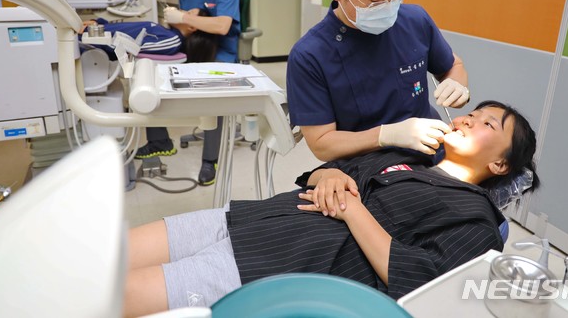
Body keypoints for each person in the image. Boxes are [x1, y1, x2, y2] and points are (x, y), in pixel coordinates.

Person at [123, 100, 539, 317]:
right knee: (108, 254)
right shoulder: (409, 155)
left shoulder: (477, 220)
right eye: (474, 112)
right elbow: (324, 171)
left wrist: (353, 210)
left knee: (109, 297)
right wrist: (332, 179)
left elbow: (417, 278)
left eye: (488, 124)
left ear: (500, 164)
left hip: (268, 263)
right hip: (248, 220)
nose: (469, 119)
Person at [286, 0, 470, 167]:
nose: (387, 7)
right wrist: (387, 135)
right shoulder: (310, 55)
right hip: (366, 169)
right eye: (374, 0)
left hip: (432, 157)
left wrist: (457, 85)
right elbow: (322, 143)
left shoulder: (415, 21)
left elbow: (452, 65)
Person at [135, 0, 240, 186]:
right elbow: (190, 20)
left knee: (211, 101)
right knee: (153, 73)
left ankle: (209, 161)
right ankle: (160, 141)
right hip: (192, 48)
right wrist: (185, 16)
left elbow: (223, 26)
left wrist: (185, 18)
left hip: (220, 55)